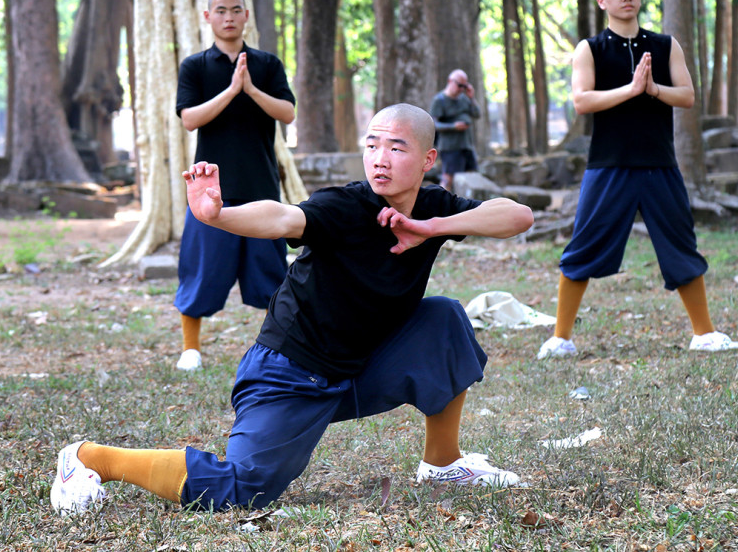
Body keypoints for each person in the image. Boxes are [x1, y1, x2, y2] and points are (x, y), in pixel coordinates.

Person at [50, 103, 534, 514]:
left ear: (428, 159)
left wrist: (431, 228)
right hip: (290, 374)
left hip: (357, 368)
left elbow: (518, 215)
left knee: (443, 318)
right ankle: (91, 458)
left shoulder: (432, 207)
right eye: (371, 145)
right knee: (244, 488)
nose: (379, 159)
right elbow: (284, 217)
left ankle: (443, 464)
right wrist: (219, 215)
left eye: (396, 148)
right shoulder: (344, 206)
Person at [538, 0, 738, 360]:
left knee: (680, 243)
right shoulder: (591, 49)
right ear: (603, 1)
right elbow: (582, 101)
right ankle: (560, 338)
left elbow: (687, 96)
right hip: (608, 165)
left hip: (659, 164)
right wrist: (630, 90)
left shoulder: (664, 45)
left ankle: (704, 334)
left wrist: (653, 89)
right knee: (583, 245)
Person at [172, 0, 296, 371]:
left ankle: (275, 350)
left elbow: (287, 112)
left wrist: (251, 89)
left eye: (236, 10)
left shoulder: (267, 64)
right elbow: (189, 118)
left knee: (270, 274)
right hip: (209, 189)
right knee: (202, 270)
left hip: (260, 185)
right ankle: (190, 349)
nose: (228, 17)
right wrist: (230, 91)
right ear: (208, 17)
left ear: (246, 16)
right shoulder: (195, 66)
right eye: (221, 10)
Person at [429, 69, 480, 192]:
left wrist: (471, 97)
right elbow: (433, 124)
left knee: (471, 176)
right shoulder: (439, 100)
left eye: (464, 86)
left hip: (466, 145)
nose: (461, 89)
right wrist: (453, 126)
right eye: (459, 85)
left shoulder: (464, 98)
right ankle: (440, 201)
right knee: (448, 178)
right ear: (450, 81)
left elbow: (477, 114)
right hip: (450, 147)